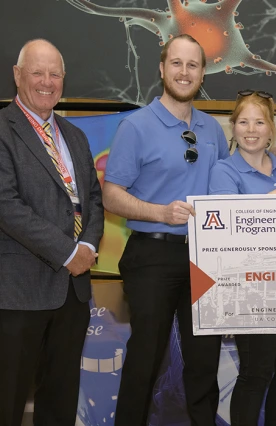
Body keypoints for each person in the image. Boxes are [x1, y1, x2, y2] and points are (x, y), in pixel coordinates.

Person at [102, 34, 227, 426]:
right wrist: (160, 213)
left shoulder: (214, 130)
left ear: (203, 72)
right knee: (146, 358)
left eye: (193, 65)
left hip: (203, 257)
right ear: (161, 68)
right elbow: (110, 195)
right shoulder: (135, 126)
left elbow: (231, 183)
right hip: (151, 256)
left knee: (204, 359)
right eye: (177, 63)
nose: (184, 72)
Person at [0, 39, 104, 426]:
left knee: (60, 400)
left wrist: (89, 244)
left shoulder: (74, 135)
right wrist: (67, 252)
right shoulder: (2, 130)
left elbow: (91, 197)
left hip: (72, 294)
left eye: (55, 74)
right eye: (37, 73)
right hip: (20, 291)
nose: (47, 82)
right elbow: (6, 205)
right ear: (17, 76)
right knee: (8, 400)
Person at [209, 90, 276, 426]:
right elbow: (231, 224)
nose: (250, 130)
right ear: (233, 126)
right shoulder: (223, 171)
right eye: (242, 122)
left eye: (259, 122)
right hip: (250, 288)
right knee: (256, 374)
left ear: (271, 129)